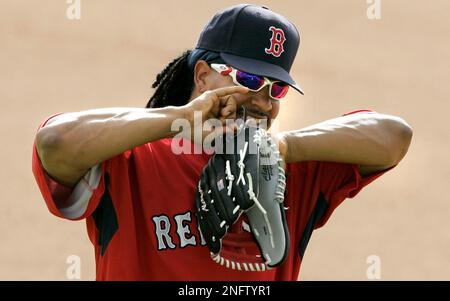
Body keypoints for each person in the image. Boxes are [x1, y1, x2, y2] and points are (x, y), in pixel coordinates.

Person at [32, 4, 412, 281]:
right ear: (202, 76)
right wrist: (178, 119)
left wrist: (284, 149)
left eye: (276, 89)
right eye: (248, 80)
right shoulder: (133, 157)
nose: (263, 101)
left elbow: (393, 136)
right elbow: (55, 142)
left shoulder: (287, 169)